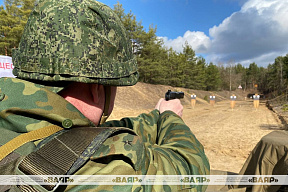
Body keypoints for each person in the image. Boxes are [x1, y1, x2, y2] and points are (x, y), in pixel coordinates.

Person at [0, 0, 210, 191]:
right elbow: (192, 170)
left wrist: (158, 115)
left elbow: (87, 134)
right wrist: (172, 118)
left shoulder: (15, 118)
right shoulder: (106, 168)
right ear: (97, 88)